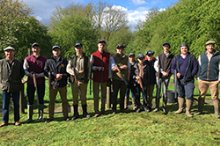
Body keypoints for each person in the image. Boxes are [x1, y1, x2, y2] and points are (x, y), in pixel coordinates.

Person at [171, 43, 198, 117]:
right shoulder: (176, 58)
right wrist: (175, 73)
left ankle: (188, 111)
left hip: (189, 80)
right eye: (182, 48)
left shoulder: (192, 57)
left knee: (189, 95)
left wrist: (191, 75)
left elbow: (195, 68)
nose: (184, 49)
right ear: (180, 49)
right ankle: (180, 108)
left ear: (187, 49)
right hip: (179, 80)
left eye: (185, 48)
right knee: (180, 94)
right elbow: (172, 68)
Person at [0, 46, 24, 127]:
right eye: (7, 51)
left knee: (16, 104)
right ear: (5, 53)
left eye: (10, 51)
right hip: (5, 86)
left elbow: (22, 74)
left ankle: (17, 120)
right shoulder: (1, 62)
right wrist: (1, 83)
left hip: (15, 86)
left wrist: (21, 80)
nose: (8, 53)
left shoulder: (18, 63)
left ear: (13, 52)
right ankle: (4, 121)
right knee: (4, 105)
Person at [44, 45, 69, 122]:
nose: (56, 52)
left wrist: (62, 75)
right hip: (53, 84)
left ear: (60, 51)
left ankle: (66, 116)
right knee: (51, 101)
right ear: (52, 51)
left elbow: (68, 72)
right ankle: (51, 117)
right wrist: (54, 75)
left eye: (57, 50)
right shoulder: (48, 61)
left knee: (64, 101)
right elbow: (45, 72)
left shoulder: (64, 60)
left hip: (62, 84)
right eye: (55, 50)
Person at [23, 43, 46, 122]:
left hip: (40, 82)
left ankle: (40, 116)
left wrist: (38, 75)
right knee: (30, 99)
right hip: (30, 82)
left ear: (39, 49)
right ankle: (30, 117)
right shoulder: (28, 59)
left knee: (40, 98)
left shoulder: (44, 59)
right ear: (32, 49)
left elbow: (46, 71)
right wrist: (30, 75)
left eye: (37, 47)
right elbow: (25, 70)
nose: (35, 49)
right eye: (34, 48)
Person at [67, 42, 90, 120]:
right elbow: (68, 68)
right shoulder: (72, 58)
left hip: (83, 80)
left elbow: (89, 69)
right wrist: (74, 73)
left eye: (80, 47)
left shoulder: (86, 58)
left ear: (82, 48)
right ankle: (75, 114)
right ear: (75, 49)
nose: (78, 49)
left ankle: (85, 113)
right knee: (75, 98)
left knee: (83, 97)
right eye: (77, 47)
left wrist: (88, 78)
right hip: (74, 81)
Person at [197, 40, 220, 118]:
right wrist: (198, 77)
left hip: (214, 80)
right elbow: (199, 67)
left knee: (215, 97)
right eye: (208, 45)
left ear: (213, 46)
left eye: (212, 45)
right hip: (202, 79)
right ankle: (200, 110)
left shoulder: (218, 56)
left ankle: (216, 112)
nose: (210, 47)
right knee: (201, 95)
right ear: (206, 47)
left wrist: (219, 79)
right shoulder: (201, 56)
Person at [90, 40, 111, 117]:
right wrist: (97, 68)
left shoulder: (108, 55)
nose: (102, 46)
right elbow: (90, 66)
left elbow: (109, 66)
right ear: (97, 45)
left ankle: (103, 110)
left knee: (104, 95)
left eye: (103, 45)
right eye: (100, 45)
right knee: (96, 96)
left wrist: (109, 76)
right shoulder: (93, 55)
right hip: (96, 78)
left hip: (104, 78)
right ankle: (96, 110)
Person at [153, 42, 174, 113]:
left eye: (167, 46)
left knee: (165, 92)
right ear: (163, 47)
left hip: (167, 76)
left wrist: (168, 73)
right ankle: (157, 106)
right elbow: (156, 66)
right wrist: (162, 72)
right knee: (158, 92)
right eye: (164, 46)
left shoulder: (172, 56)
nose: (166, 48)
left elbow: (172, 66)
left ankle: (164, 106)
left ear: (169, 48)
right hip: (159, 76)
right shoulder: (159, 56)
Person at [112, 44, 130, 113]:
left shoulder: (126, 57)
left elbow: (128, 68)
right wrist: (121, 67)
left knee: (122, 94)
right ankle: (114, 109)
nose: (120, 50)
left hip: (124, 79)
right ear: (116, 49)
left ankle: (122, 108)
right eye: (119, 48)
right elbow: (113, 68)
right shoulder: (113, 57)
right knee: (115, 94)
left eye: (122, 48)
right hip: (116, 78)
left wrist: (127, 78)